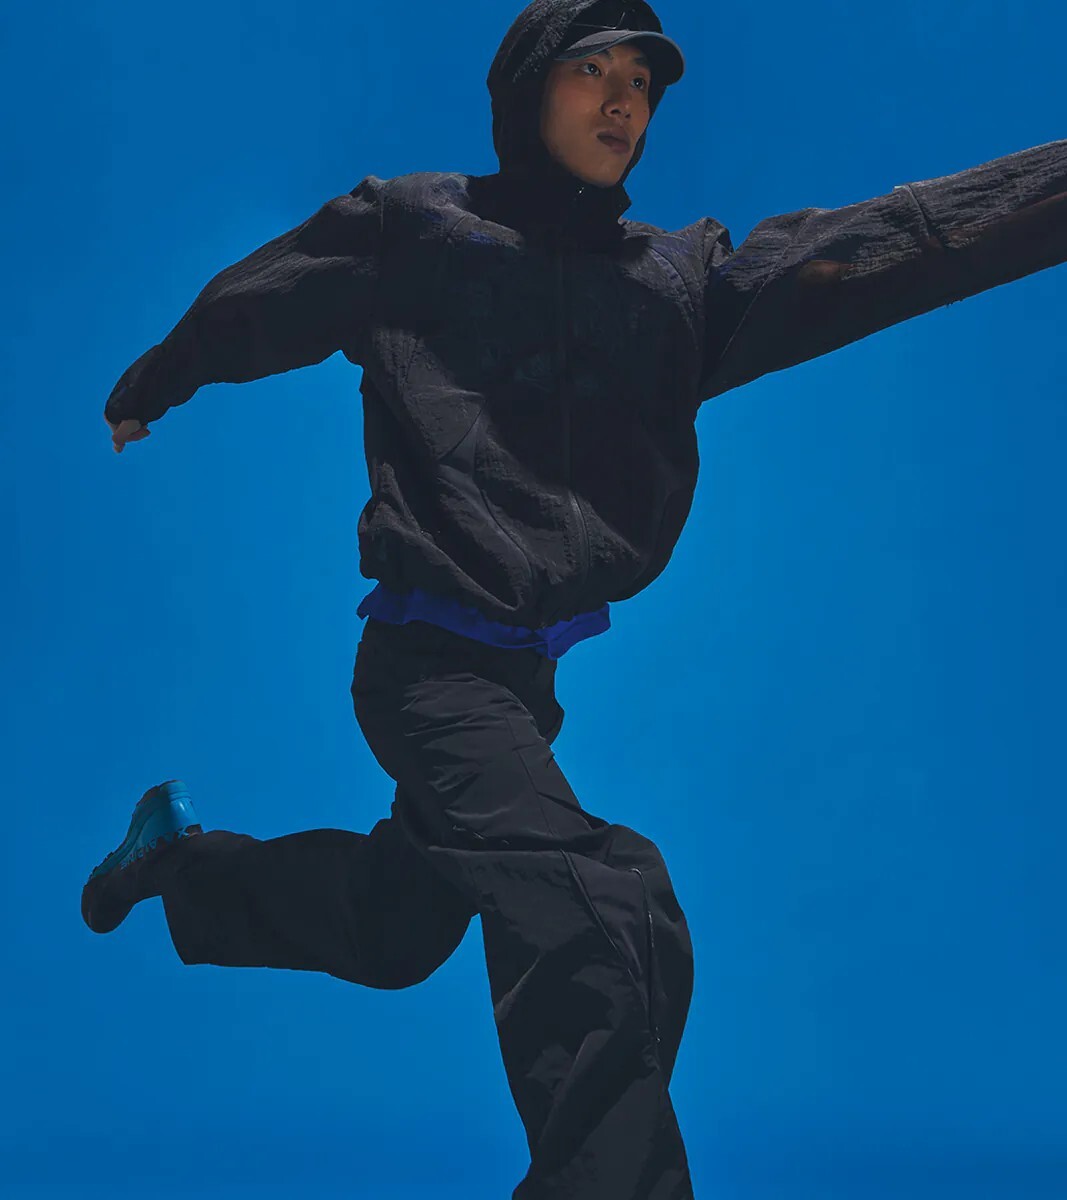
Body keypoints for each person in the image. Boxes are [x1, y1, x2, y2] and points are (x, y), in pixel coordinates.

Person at [83, 1, 1066, 1196]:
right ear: (524, 91)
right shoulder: (416, 230)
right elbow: (268, 294)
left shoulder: (671, 285)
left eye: (640, 83)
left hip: (519, 684)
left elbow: (886, 243)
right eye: (590, 71)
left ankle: (174, 864)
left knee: (395, 933)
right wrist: (157, 379)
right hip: (426, 675)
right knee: (604, 899)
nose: (619, 102)